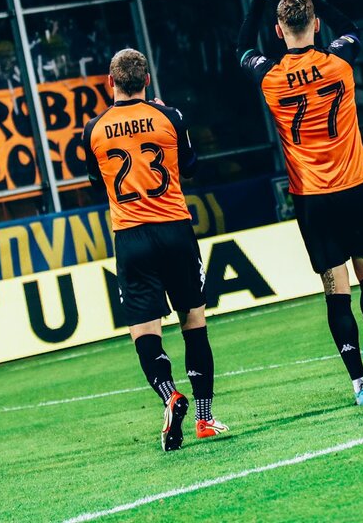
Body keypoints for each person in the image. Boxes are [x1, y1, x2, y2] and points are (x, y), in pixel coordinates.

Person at [237, 0, 363, 405]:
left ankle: (359, 384)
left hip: (312, 197)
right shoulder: (339, 60)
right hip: (355, 184)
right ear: (317, 25)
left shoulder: (269, 76)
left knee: (335, 291)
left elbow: (241, 47)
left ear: (278, 32)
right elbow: (353, 28)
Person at [83, 48, 227, 451]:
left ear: (109, 83)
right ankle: (204, 418)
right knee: (193, 323)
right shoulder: (171, 117)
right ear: (146, 81)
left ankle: (170, 396)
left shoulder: (93, 129)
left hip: (132, 237)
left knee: (144, 331)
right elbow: (191, 166)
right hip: (175, 230)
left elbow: (97, 182)